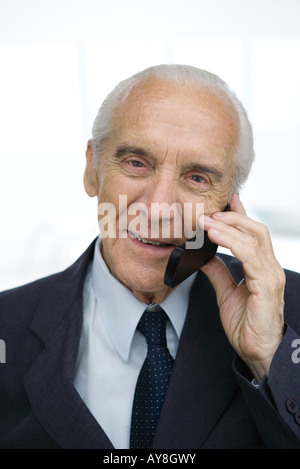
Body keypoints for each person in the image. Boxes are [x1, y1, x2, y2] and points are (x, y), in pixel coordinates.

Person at [1, 64, 300, 450]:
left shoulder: (291, 313)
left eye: (197, 178)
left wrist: (270, 358)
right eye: (136, 163)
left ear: (229, 201)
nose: (159, 208)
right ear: (92, 169)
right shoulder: (7, 323)